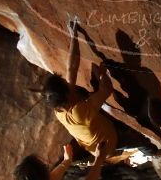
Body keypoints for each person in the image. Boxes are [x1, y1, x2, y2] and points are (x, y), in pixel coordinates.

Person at [44, 20, 119, 160]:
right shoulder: (78, 112)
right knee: (140, 142)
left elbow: (71, 68)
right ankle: (150, 150)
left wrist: (74, 36)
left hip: (95, 131)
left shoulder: (59, 108)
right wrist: (102, 74)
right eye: (65, 84)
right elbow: (107, 89)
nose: (67, 82)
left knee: (92, 97)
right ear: (67, 94)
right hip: (108, 144)